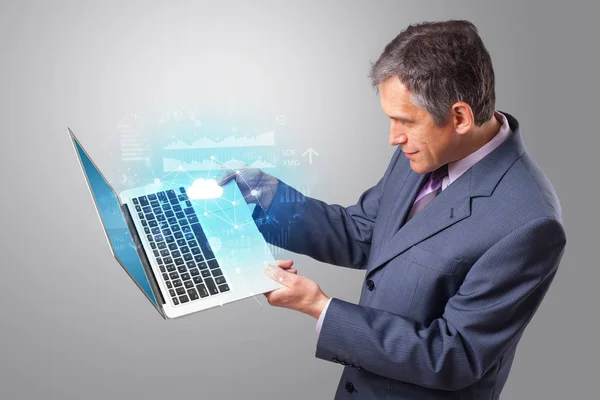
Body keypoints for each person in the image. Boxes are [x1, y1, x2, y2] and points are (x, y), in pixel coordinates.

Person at [219, 20, 566, 399]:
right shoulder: (425, 148)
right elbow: (362, 231)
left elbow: (455, 356)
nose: (393, 137)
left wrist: (320, 308)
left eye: (404, 121)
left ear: (460, 117)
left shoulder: (530, 223)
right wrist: (255, 193)